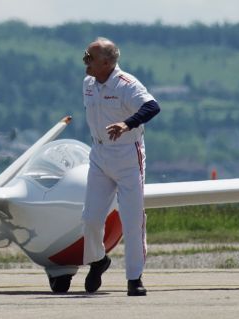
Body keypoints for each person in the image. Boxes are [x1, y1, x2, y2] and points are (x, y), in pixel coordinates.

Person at [80, 37, 160, 296]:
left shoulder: (127, 84)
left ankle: (134, 278)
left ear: (106, 62)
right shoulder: (88, 84)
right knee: (90, 218)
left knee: (132, 219)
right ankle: (97, 260)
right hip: (99, 154)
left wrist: (128, 124)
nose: (85, 62)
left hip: (127, 155)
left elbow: (152, 106)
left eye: (89, 58)